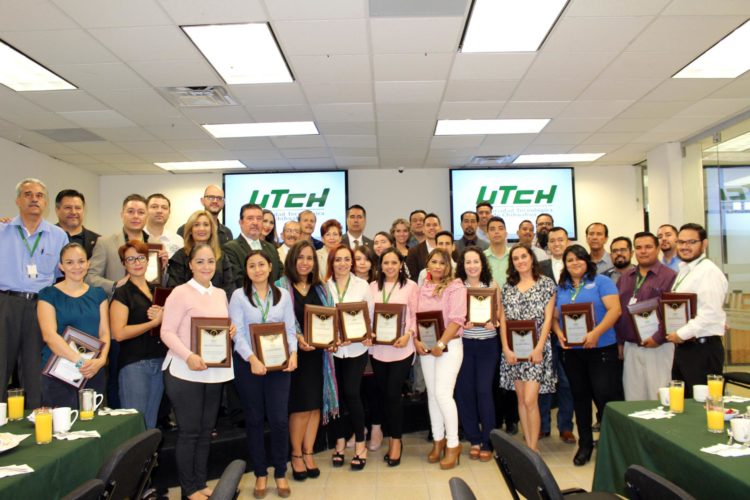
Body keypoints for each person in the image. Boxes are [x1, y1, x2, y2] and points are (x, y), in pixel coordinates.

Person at [160, 243, 236, 500]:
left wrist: (230, 330)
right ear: (190, 264)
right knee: (190, 431)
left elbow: (219, 327)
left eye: (210, 261)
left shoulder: (220, 294)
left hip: (213, 372)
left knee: (205, 431)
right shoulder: (179, 293)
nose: (206, 266)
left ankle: (200, 483)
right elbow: (167, 332)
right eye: (200, 261)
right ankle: (188, 489)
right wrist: (189, 356)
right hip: (184, 371)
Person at [229, 250, 297, 498]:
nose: (257, 269)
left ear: (270, 267)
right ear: (246, 270)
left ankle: (280, 471)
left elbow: (290, 328)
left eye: (261, 264)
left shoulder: (283, 296)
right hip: (249, 366)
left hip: (279, 366)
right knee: (255, 419)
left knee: (279, 420)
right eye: (251, 266)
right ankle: (260, 473)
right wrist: (252, 359)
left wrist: (294, 353)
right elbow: (237, 332)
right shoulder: (239, 296)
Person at [0, 178, 68, 407]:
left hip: (41, 305)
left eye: (39, 195)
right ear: (18, 200)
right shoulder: (2, 230)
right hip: (6, 302)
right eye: (28, 194)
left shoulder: (58, 236)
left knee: (34, 368)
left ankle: (36, 417)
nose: (34, 199)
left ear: (45, 203)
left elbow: (63, 275)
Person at [552, 244, 622, 466]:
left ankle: (612, 445)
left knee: (604, 397)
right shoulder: (562, 287)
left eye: (579, 258)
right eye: (570, 260)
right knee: (579, 398)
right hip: (573, 353)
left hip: (601, 349)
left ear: (587, 261)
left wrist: (596, 333)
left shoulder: (602, 282)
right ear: (565, 264)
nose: (574, 263)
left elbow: (615, 310)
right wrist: (559, 334)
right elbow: (553, 317)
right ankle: (585, 445)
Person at [275, 240, 337, 482]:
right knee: (300, 408)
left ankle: (309, 452)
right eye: (300, 257)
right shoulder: (281, 287)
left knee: (314, 407)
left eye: (309, 258)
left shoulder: (322, 288)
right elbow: (279, 321)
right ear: (292, 260)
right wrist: (298, 338)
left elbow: (330, 317)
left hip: (319, 356)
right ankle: (296, 455)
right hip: (295, 356)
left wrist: (333, 338)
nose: (305, 262)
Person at [498, 245, 557, 453]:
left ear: (532, 259)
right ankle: (528, 443)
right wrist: (506, 348)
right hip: (514, 351)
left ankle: (533, 447)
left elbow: (548, 319)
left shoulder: (546, 284)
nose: (520, 261)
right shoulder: (507, 286)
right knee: (521, 400)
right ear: (512, 263)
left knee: (531, 399)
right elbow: (503, 320)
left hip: (536, 350)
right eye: (516, 258)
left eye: (524, 256)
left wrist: (539, 348)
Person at [38, 243, 110, 408]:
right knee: (62, 421)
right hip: (59, 372)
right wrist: (80, 362)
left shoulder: (98, 294)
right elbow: (49, 335)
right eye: (69, 262)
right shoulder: (48, 294)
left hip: (92, 371)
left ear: (88, 264)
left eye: (81, 261)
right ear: (61, 266)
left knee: (93, 420)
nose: (77, 267)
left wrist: (101, 360)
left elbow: (105, 332)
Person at [416, 248, 466, 470]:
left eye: (442, 263)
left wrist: (441, 343)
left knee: (443, 395)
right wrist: (417, 341)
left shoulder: (456, 287)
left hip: (449, 346)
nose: (437, 266)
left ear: (448, 266)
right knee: (432, 395)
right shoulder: (422, 288)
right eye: (434, 262)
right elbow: (416, 318)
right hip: (428, 348)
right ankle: (438, 440)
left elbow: (457, 320)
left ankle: (453, 444)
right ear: (428, 264)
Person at [666, 223, 728, 398]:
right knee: (684, 401)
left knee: (703, 404)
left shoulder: (708, 272)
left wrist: (681, 334)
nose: (685, 246)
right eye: (681, 242)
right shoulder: (686, 270)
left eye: (691, 242)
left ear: (704, 244)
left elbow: (710, 313)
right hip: (686, 347)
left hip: (702, 349)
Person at [327, 245, 374, 470]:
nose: (343, 263)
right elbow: (322, 319)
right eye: (338, 259)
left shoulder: (362, 285)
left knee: (352, 394)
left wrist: (367, 334)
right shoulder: (324, 286)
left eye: (347, 259)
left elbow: (370, 316)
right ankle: (339, 442)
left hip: (356, 349)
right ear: (331, 262)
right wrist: (334, 337)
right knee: (337, 398)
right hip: (333, 351)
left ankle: (360, 445)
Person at [110, 240, 166, 429]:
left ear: (148, 260)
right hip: (135, 365)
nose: (137, 262)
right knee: (135, 425)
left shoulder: (156, 290)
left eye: (141, 257)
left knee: (150, 424)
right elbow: (119, 333)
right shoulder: (122, 293)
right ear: (124, 264)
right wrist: (153, 323)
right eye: (131, 259)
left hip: (158, 361)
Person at [370, 248, 418, 466]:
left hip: (402, 349)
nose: (389, 266)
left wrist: (408, 335)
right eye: (386, 263)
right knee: (383, 395)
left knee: (393, 394)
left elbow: (415, 316)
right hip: (378, 350)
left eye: (394, 262)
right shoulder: (372, 287)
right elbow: (367, 315)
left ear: (401, 265)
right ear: (380, 265)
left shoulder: (411, 286)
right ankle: (390, 436)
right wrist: (369, 332)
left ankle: (396, 441)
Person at [615, 232, 676, 401]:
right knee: (633, 398)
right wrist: (620, 342)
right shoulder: (625, 277)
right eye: (639, 247)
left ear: (657, 249)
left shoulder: (670, 276)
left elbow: (673, 314)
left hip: (658, 346)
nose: (643, 251)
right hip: (631, 346)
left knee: (659, 397)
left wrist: (658, 338)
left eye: (648, 247)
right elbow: (618, 312)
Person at [455, 247, 499, 461]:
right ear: (462, 266)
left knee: (484, 391)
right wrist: (462, 323)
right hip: (463, 345)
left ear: (483, 264)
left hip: (487, 345)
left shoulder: (492, 285)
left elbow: (499, 313)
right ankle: (473, 438)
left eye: (476, 261)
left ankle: (488, 440)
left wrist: (494, 322)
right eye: (468, 262)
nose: (472, 266)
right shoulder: (457, 287)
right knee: (465, 392)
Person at [537, 226, 575, 444]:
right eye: (552, 241)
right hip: (543, 333)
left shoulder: (576, 265)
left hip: (570, 333)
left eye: (561, 239)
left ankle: (566, 426)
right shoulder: (540, 267)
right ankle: (543, 425)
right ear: (548, 244)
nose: (557, 244)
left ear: (567, 242)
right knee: (544, 381)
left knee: (567, 382)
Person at [482, 216, 519, 435]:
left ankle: (512, 418)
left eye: (500, 228)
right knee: (494, 372)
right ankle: (496, 418)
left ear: (506, 232)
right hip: (489, 322)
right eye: (492, 229)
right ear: (487, 233)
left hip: (513, 320)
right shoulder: (482, 258)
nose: (496, 232)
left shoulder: (515, 256)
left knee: (512, 368)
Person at [167, 210, 235, 298]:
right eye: (196, 225)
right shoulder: (179, 257)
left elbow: (229, 287)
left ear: (211, 230)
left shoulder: (221, 256)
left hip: (218, 303)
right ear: (190, 230)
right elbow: (175, 289)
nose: (202, 229)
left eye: (206, 225)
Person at [224, 203, 283, 290]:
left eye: (259, 219)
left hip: (274, 296)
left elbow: (281, 276)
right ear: (241, 222)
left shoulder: (271, 248)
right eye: (250, 218)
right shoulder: (230, 248)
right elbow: (237, 281)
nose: (255, 222)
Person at [54, 189, 100, 259]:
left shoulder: (98, 241)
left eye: (78, 208)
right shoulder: (46, 236)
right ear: (57, 210)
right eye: (68, 208)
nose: (73, 212)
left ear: (83, 210)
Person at [145, 193, 183, 258]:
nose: (159, 211)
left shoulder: (178, 240)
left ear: (169, 213)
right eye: (154, 207)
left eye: (164, 208)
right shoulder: (135, 238)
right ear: (145, 210)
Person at [406, 213, 441, 279]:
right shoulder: (413, 252)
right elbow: (412, 277)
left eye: (435, 225)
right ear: (423, 229)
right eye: (428, 225)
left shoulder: (448, 248)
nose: (431, 228)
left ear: (440, 228)